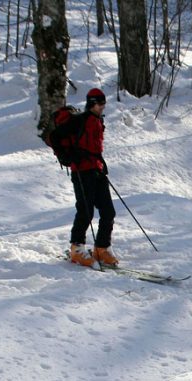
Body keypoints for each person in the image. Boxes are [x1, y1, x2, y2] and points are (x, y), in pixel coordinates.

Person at [68, 88, 118, 268]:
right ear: (92, 103)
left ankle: (102, 248)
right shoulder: (80, 121)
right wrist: (78, 156)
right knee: (85, 210)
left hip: (96, 170)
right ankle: (77, 248)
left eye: (104, 103)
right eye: (101, 103)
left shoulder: (97, 120)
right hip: (81, 171)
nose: (103, 107)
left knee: (108, 211)